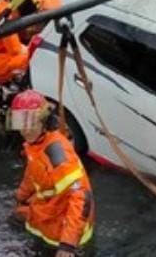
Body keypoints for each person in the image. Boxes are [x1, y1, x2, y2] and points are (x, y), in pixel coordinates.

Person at [10, 90, 94, 256]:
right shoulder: (34, 146)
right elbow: (32, 173)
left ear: (44, 121)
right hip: (48, 218)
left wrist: (67, 245)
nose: (25, 130)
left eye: (30, 123)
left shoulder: (56, 154)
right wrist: (21, 196)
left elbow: (82, 197)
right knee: (14, 218)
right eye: (21, 122)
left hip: (64, 232)